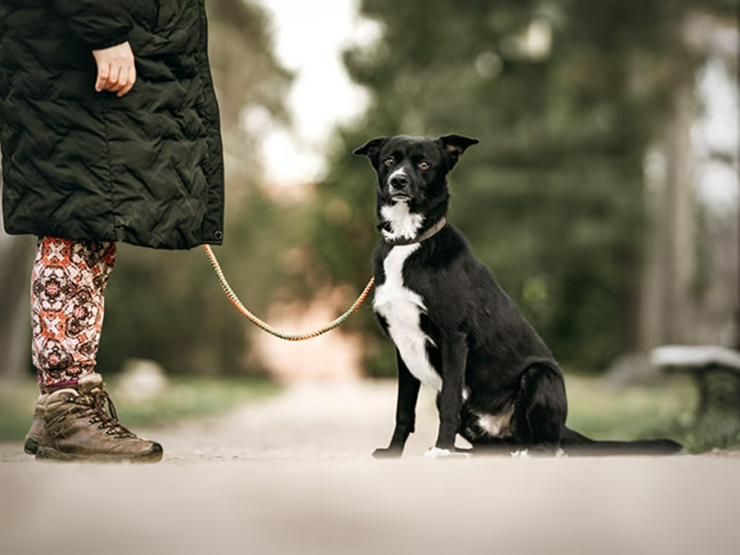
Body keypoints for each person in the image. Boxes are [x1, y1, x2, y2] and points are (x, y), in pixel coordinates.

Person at [0, 1, 225, 462]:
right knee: (74, 219)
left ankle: (75, 395)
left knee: (95, 222)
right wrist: (103, 30)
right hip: (73, 50)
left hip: (82, 50)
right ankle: (63, 407)